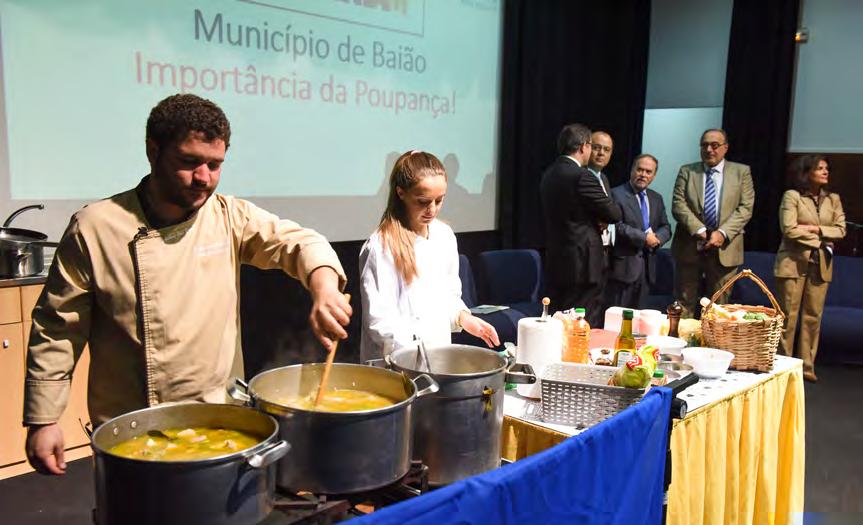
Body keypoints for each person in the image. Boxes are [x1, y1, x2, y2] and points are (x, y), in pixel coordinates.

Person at [24, 94, 351, 475]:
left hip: (221, 424)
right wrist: (44, 418)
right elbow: (58, 328)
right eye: (189, 162)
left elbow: (298, 243)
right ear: (153, 150)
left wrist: (324, 287)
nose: (204, 178)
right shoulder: (96, 227)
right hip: (130, 432)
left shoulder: (230, 217)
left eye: (215, 165)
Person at [359, 151, 499, 362]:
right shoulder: (381, 246)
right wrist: (417, 354)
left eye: (439, 200)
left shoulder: (444, 236)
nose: (432, 210)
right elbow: (379, 322)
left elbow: (450, 295)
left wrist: (463, 318)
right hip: (397, 365)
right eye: (423, 201)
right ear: (400, 193)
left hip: (438, 358)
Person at [540, 123, 622, 327]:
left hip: (558, 258)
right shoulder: (582, 175)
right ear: (584, 146)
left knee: (558, 319)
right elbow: (613, 213)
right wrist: (598, 218)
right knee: (581, 322)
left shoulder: (549, 174)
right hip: (583, 263)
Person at [774, 155, 845, 382]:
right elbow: (789, 229)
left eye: (827, 168)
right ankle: (784, 365)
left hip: (821, 264)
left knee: (813, 317)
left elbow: (841, 230)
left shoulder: (833, 199)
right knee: (787, 316)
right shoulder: (792, 196)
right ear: (807, 172)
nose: (825, 172)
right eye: (820, 168)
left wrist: (814, 228)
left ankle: (807, 366)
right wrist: (821, 238)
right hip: (793, 264)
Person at [671, 128, 754, 318]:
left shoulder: (741, 172)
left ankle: (711, 347)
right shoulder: (687, 171)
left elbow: (745, 208)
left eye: (715, 145)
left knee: (718, 308)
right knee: (683, 303)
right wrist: (700, 229)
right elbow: (678, 204)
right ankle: (683, 345)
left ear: (725, 148)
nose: (709, 149)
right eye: (704, 145)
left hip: (725, 248)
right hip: (690, 246)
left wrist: (721, 233)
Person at [607, 154, 671, 309]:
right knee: (618, 318)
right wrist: (644, 238)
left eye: (648, 172)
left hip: (647, 270)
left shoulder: (656, 198)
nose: (643, 174)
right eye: (640, 170)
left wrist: (657, 239)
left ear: (654, 175)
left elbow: (666, 227)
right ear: (632, 170)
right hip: (624, 268)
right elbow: (616, 225)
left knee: (639, 322)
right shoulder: (616, 194)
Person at [587, 131, 615, 249]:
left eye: (607, 149)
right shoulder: (580, 176)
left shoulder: (604, 178)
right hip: (587, 247)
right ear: (587, 148)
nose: (601, 153)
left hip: (605, 248)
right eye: (596, 148)